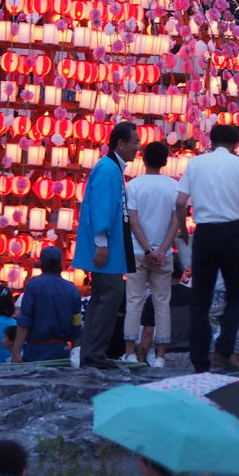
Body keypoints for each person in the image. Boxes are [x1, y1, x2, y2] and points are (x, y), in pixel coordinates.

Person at [175, 123, 239, 372]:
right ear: (236, 144)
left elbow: (180, 202)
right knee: (236, 296)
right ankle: (224, 351)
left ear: (211, 141)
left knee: (200, 299)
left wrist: (183, 230)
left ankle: (199, 359)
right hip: (232, 233)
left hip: (204, 233)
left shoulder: (196, 164)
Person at [72, 121, 139, 369]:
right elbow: (102, 208)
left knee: (104, 297)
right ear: (120, 143)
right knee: (110, 296)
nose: (137, 147)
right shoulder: (108, 169)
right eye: (134, 142)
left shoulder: (111, 168)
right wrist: (101, 242)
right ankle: (94, 354)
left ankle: (91, 353)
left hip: (110, 247)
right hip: (106, 248)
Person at [124, 141, 179, 366]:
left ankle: (128, 352)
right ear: (165, 161)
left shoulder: (134, 186)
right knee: (162, 302)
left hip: (138, 251)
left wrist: (147, 249)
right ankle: (160, 355)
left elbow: (133, 221)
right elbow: (177, 221)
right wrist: (162, 249)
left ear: (143, 159)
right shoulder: (174, 187)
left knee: (134, 300)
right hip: (164, 252)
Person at [10, 247, 82, 362]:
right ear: (60, 264)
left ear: (42, 263)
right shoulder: (72, 289)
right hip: (62, 351)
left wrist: (16, 351)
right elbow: (77, 324)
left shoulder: (33, 285)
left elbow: (25, 321)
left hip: (36, 351)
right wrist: (75, 353)